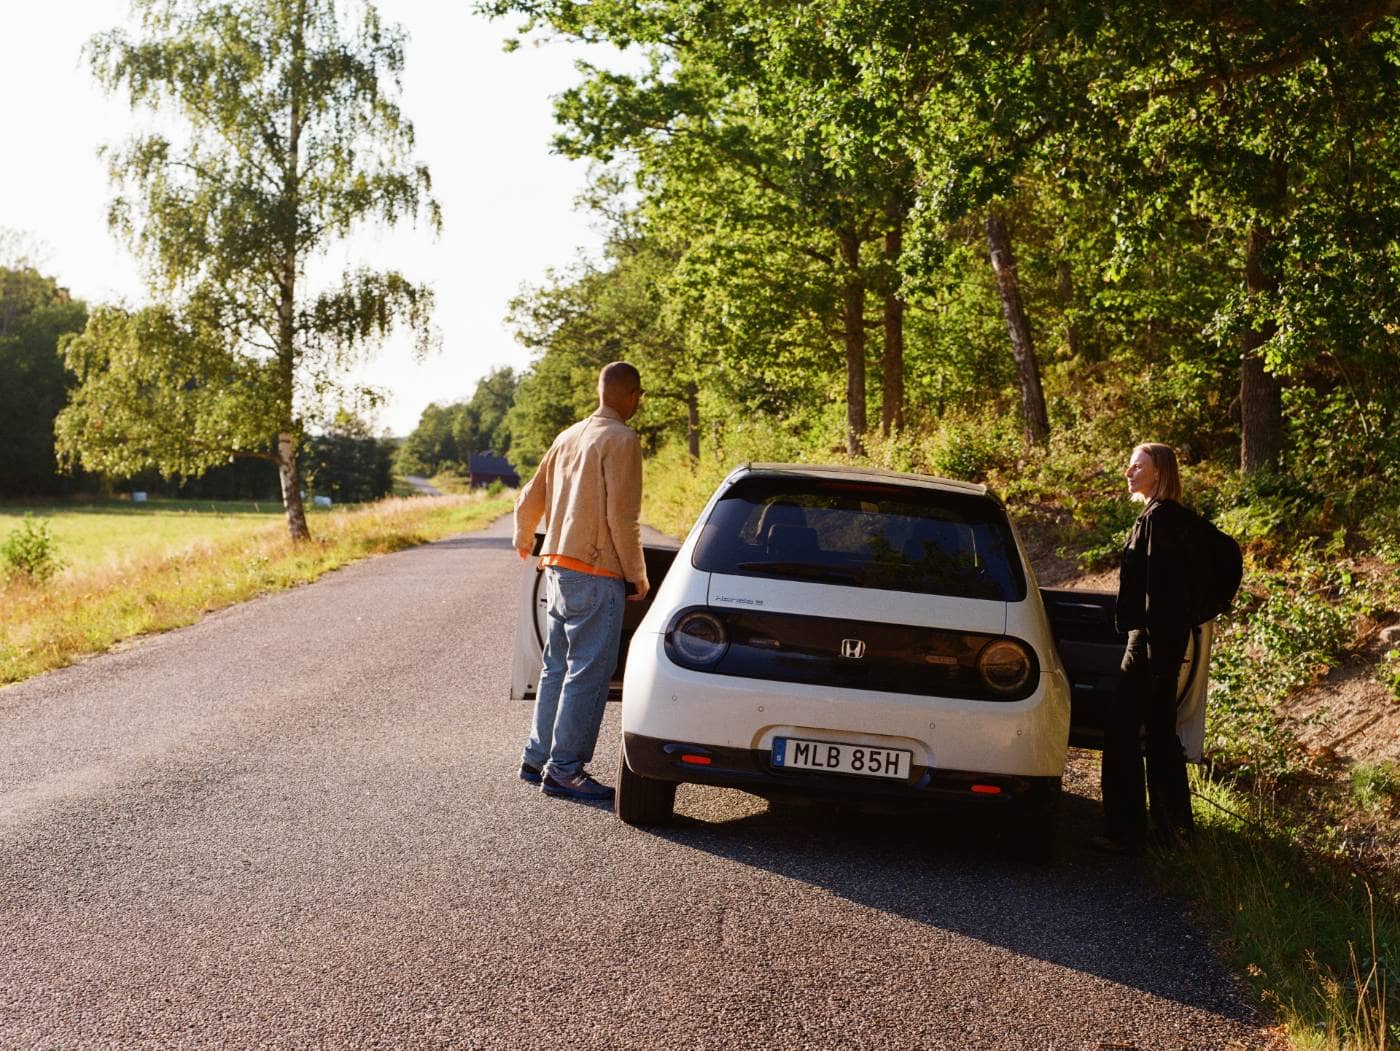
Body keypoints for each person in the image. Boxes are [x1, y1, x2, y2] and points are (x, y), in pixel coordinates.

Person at [513, 361, 650, 802]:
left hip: (556, 566)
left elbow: (529, 497)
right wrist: (637, 574)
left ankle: (537, 758)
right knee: (588, 673)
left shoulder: (569, 436)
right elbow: (622, 517)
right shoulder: (622, 439)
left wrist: (524, 536)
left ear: (600, 391)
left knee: (556, 666)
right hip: (595, 570)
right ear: (632, 395)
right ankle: (565, 770)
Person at [1097, 441, 1196, 853]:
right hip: (1161, 643)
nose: (1129, 472)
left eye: (1137, 466)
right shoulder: (1163, 517)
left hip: (1150, 643)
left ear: (1159, 472)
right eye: (1130, 465)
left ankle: (1127, 833)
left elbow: (1161, 590)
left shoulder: (1159, 520)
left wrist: (1155, 656)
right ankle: (1173, 834)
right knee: (1159, 735)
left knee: (1121, 733)